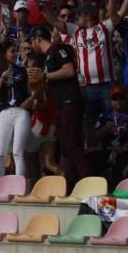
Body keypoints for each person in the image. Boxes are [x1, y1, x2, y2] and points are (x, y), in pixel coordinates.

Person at [29, 24, 89, 183]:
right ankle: (70, 183)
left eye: (32, 41)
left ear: (38, 39)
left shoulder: (57, 50)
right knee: (65, 146)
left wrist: (45, 76)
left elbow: (69, 70)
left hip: (70, 102)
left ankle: (88, 180)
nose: (32, 46)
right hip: (60, 105)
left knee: (72, 143)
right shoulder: (47, 57)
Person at [0, 42, 32, 179]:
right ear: (4, 54)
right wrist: (1, 79)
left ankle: (20, 189)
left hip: (21, 112)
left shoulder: (21, 70)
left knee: (17, 152)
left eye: (15, 51)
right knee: (0, 153)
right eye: (12, 51)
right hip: (5, 112)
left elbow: (29, 90)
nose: (15, 54)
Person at [89, 85, 128, 184]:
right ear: (110, 100)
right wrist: (105, 128)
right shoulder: (104, 115)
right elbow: (94, 137)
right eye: (115, 99)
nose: (118, 102)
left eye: (121, 98)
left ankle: (116, 192)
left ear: (126, 100)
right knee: (91, 162)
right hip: (107, 151)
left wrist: (123, 148)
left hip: (125, 152)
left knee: (119, 169)